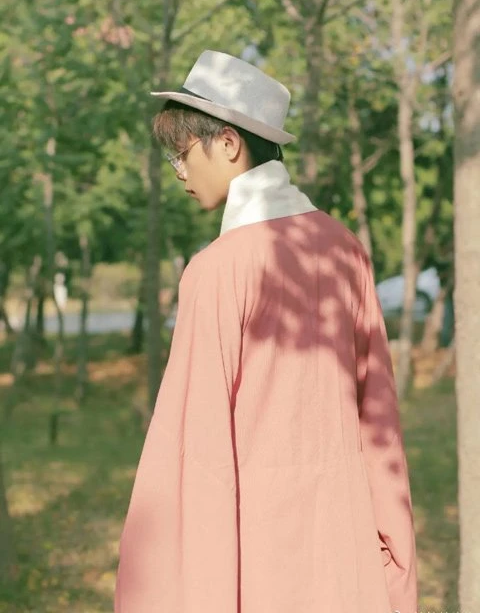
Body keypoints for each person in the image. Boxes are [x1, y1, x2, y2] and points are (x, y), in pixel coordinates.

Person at [114, 50, 417, 613]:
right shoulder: (344, 248)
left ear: (229, 143)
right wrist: (394, 564)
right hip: (345, 555)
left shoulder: (219, 269)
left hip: (256, 561)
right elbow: (379, 419)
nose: (180, 172)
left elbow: (194, 455)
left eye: (182, 153)